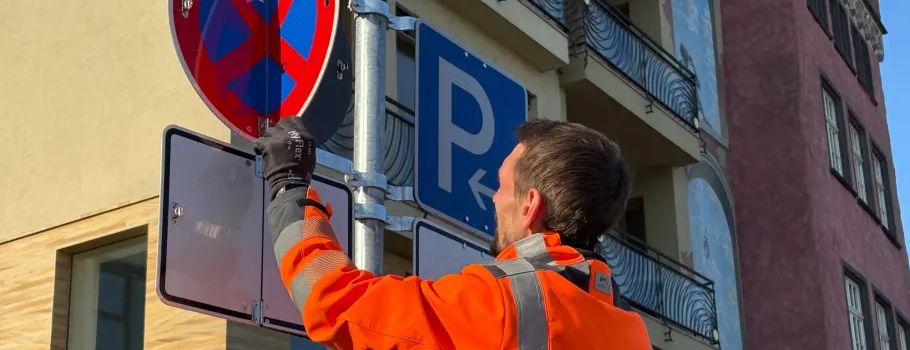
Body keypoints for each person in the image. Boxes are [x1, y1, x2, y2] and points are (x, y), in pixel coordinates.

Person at [255, 117, 652, 349]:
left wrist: (289, 187)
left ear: (531, 205)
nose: (494, 199)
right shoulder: (630, 329)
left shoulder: (504, 303)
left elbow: (335, 303)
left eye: (501, 185)